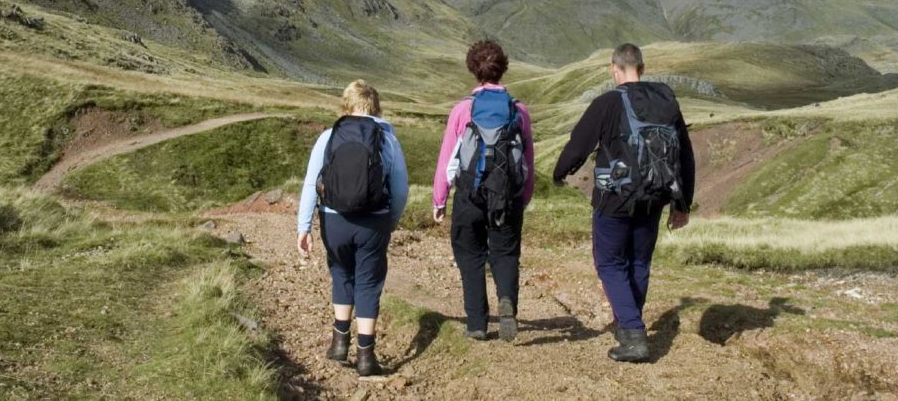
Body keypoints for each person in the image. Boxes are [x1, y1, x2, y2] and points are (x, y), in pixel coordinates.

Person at [552, 43, 695, 363]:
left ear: (614, 69)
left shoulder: (608, 102)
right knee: (639, 262)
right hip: (656, 197)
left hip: (615, 199)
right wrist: (682, 203)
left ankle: (632, 333)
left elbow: (578, 145)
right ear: (641, 69)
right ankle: (627, 321)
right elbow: (685, 153)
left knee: (609, 263)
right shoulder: (666, 101)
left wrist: (560, 173)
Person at [297, 80, 409, 377]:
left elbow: (311, 183)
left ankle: (338, 344)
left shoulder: (329, 136)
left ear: (346, 106)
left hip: (334, 219)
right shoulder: (388, 139)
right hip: (374, 221)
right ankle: (366, 356)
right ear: (376, 106)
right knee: (369, 283)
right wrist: (390, 221)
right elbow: (399, 189)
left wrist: (303, 226)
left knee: (341, 273)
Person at [432, 40, 535, 342]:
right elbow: (527, 160)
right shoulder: (519, 111)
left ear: (472, 69)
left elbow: (447, 159)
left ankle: (477, 322)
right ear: (502, 69)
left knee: (469, 253)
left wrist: (440, 199)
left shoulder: (462, 110)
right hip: (507, 195)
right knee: (505, 252)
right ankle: (507, 303)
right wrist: (523, 197)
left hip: (469, 195)